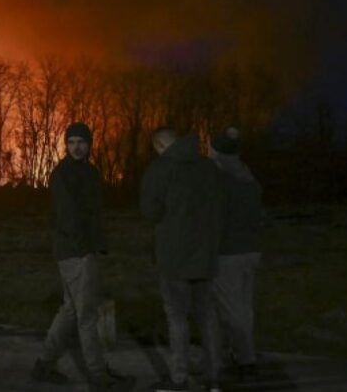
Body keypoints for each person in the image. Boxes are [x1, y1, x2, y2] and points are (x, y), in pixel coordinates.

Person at [32, 122, 132, 391]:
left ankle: (44, 364)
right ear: (66, 145)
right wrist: (85, 249)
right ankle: (98, 376)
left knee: (70, 310)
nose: (76, 146)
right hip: (76, 253)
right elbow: (69, 217)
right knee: (86, 316)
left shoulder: (89, 172)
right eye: (71, 142)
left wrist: (98, 245)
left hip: (82, 250)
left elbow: (95, 213)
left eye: (81, 142)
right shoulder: (62, 174)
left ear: (89, 144)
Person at [140, 127, 224, 392]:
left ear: (160, 145)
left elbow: (149, 211)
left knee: (177, 319)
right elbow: (222, 207)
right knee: (207, 316)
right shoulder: (209, 168)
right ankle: (214, 379)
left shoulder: (160, 169)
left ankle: (179, 379)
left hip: (174, 257)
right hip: (206, 255)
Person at [208, 127, 264, 379]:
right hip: (251, 251)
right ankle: (239, 353)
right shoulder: (249, 178)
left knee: (232, 311)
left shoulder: (219, 180)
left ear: (217, 152)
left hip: (228, 254)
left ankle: (246, 361)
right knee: (244, 307)